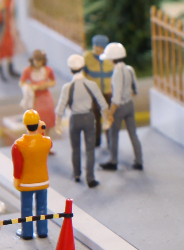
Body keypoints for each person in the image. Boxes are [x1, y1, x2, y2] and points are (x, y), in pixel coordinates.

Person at [55, 53, 107, 188]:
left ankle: (76, 174)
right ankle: (90, 178)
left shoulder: (67, 87)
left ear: (70, 69)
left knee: (75, 149)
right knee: (90, 149)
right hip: (89, 118)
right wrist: (106, 119)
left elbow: (60, 107)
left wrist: (58, 123)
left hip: (75, 119)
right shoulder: (91, 84)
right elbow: (103, 104)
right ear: (83, 67)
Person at [100, 41, 143, 171]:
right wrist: (127, 95)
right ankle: (139, 160)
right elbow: (136, 89)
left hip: (119, 108)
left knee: (113, 134)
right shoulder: (129, 69)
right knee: (133, 133)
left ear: (112, 58)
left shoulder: (116, 73)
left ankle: (113, 161)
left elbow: (116, 98)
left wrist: (110, 112)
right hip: (130, 105)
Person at [12, 110, 53, 239]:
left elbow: (18, 166)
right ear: (38, 124)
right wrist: (41, 130)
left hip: (26, 182)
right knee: (42, 207)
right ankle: (42, 230)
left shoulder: (18, 145)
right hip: (42, 180)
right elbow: (44, 139)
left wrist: (16, 179)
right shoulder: (47, 142)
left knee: (26, 209)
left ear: (25, 124)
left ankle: (27, 232)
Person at [83, 34, 112, 147]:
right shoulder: (87, 56)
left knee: (108, 117)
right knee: (95, 117)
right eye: (96, 46)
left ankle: (110, 141)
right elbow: (83, 74)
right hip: (94, 93)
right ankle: (96, 140)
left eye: (101, 47)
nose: (98, 49)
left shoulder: (110, 58)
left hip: (108, 93)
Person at [20, 49, 57, 130]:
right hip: (35, 98)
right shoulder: (28, 70)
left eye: (40, 61)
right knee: (36, 120)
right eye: (36, 61)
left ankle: (46, 134)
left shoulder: (48, 70)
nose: (38, 63)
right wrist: (30, 87)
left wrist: (47, 84)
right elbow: (22, 82)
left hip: (46, 97)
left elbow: (53, 81)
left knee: (47, 120)